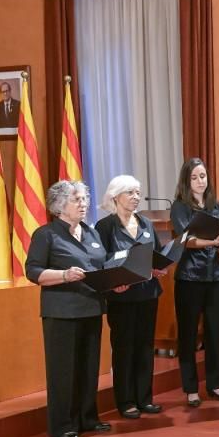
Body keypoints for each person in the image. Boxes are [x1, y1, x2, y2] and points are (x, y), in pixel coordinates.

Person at [25, 180, 111, 437]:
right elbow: (33, 272)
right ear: (60, 206)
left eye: (85, 199)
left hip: (92, 308)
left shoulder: (91, 233)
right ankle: (63, 425)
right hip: (62, 312)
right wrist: (64, 275)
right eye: (77, 200)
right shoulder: (46, 234)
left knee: (88, 367)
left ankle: (87, 418)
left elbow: (101, 266)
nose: (83, 204)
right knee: (63, 370)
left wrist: (114, 283)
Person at [94, 175, 166, 419]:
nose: (136, 198)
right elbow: (101, 262)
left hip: (147, 294)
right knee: (124, 348)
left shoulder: (146, 224)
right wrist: (113, 284)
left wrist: (159, 268)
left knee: (145, 347)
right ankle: (125, 401)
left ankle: (144, 398)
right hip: (122, 298)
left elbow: (155, 254)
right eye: (131, 193)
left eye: (138, 193)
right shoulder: (105, 227)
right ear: (116, 197)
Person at [170, 158, 219, 407]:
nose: (200, 181)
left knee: (214, 332)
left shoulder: (214, 204)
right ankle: (190, 388)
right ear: (187, 180)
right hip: (189, 277)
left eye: (203, 176)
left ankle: (215, 384)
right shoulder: (179, 206)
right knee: (188, 334)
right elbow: (186, 240)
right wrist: (213, 243)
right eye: (195, 177)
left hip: (214, 276)